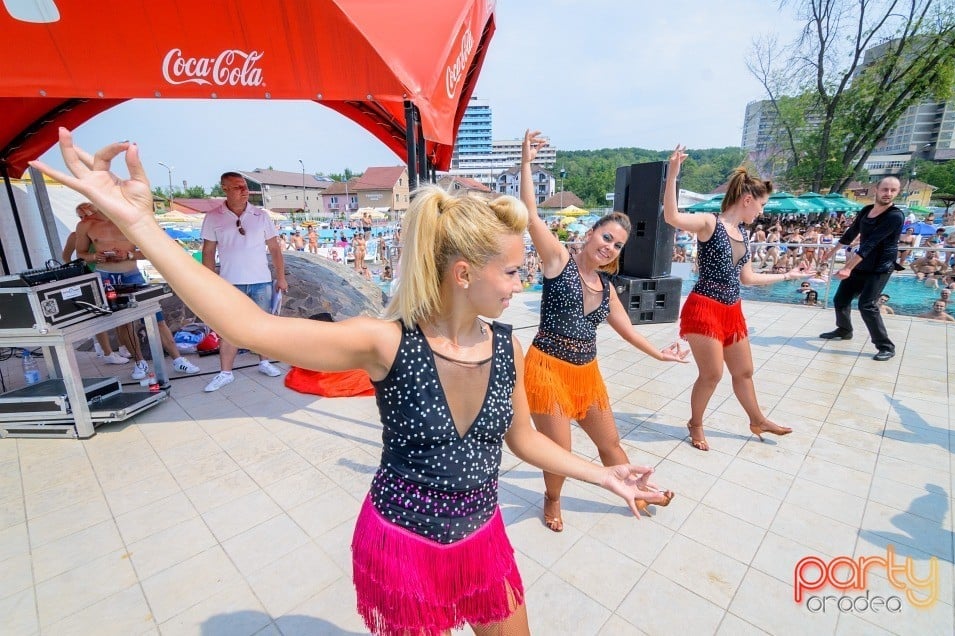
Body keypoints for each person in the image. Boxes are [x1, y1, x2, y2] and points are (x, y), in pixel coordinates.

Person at [34, 130, 664, 635]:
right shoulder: (384, 340)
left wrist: (603, 475)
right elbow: (246, 324)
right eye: (512, 270)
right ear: (465, 273)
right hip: (404, 545)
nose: (523, 280)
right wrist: (141, 228)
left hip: (482, 537)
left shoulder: (507, 344)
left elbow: (525, 441)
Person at [521, 130, 687, 531]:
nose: (610, 247)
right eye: (606, 237)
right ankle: (552, 499)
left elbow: (629, 331)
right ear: (592, 233)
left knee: (610, 443)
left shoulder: (608, 288)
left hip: (587, 375)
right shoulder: (559, 260)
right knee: (560, 449)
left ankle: (637, 489)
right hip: (546, 369)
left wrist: (660, 354)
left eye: (617, 245)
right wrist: (527, 162)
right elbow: (530, 214)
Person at [663, 146, 803, 452]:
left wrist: (788, 276)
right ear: (748, 200)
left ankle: (757, 419)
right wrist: (673, 172)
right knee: (712, 374)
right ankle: (695, 423)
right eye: (762, 205)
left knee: (744, 371)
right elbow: (671, 216)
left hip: (732, 309)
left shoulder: (745, 234)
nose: (762, 212)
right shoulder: (709, 224)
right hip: (704, 308)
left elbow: (748, 278)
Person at [74, 203, 200, 377]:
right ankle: (139, 362)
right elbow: (80, 253)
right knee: (124, 322)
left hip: (131, 274)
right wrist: (94, 256)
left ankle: (178, 360)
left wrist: (129, 255)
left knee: (157, 317)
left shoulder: (131, 220)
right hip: (105, 275)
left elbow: (154, 249)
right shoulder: (87, 224)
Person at [200, 172, 287, 391]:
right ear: (225, 189)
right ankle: (225, 372)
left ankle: (265, 362)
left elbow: (275, 248)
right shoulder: (213, 217)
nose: (244, 190)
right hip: (229, 283)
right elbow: (208, 252)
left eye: (245, 187)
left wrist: (281, 277)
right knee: (228, 329)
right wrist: (209, 283)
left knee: (263, 326)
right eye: (238, 187)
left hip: (261, 280)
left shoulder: (260, 215)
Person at [820, 176, 905, 362]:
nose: (888, 193)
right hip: (862, 264)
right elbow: (851, 233)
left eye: (893, 190)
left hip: (880, 267)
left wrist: (848, 268)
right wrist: (831, 252)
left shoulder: (895, 216)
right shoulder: (867, 210)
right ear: (877, 189)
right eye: (885, 189)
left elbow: (871, 244)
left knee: (867, 305)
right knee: (840, 299)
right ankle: (844, 330)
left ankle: (886, 346)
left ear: (897, 193)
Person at [62, 202, 129, 365]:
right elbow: (66, 257)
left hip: (112, 275)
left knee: (121, 310)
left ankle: (123, 346)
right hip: (91, 277)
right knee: (100, 314)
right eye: (81, 217)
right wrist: (84, 265)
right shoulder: (75, 235)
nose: (84, 220)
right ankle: (107, 352)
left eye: (87, 215)